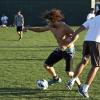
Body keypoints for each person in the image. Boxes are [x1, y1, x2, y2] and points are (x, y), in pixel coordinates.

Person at [23, 9, 81, 86]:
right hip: (60, 49)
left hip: (68, 51)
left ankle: (81, 86)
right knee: (47, 65)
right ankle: (56, 79)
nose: (48, 22)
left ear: (53, 20)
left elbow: (76, 35)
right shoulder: (51, 26)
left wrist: (66, 45)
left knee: (69, 73)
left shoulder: (63, 26)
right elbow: (40, 29)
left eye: (49, 21)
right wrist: (28, 28)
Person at [66, 10, 100, 98]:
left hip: (87, 41)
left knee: (84, 61)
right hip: (97, 43)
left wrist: (71, 36)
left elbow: (80, 29)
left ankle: (73, 80)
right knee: (96, 66)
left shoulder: (92, 19)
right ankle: (84, 89)